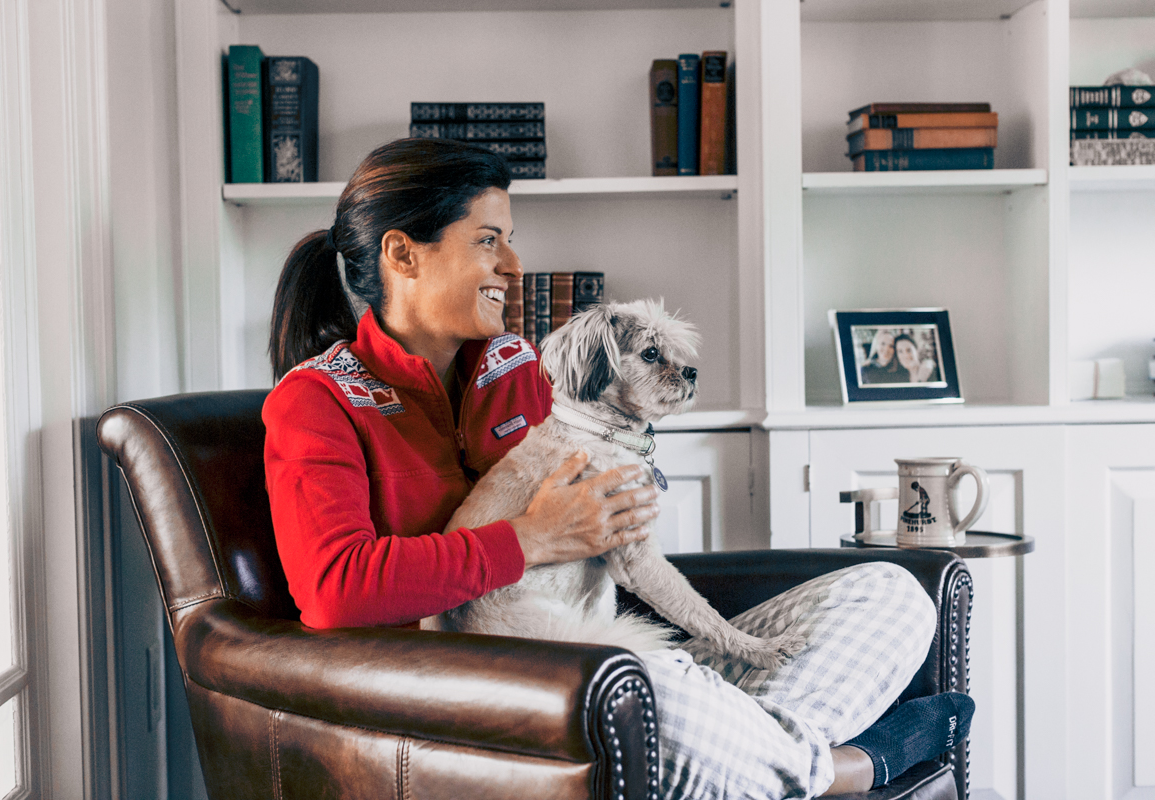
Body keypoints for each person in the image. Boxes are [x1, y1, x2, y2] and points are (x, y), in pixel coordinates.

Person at [262, 138, 972, 799]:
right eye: (488, 241)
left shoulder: (522, 370)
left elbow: (622, 504)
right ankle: (845, 765)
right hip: (470, 697)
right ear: (403, 255)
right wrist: (532, 539)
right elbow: (334, 591)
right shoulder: (318, 401)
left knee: (893, 594)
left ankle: (747, 754)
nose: (512, 266)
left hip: (606, 667)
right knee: (649, 695)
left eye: (511, 241)